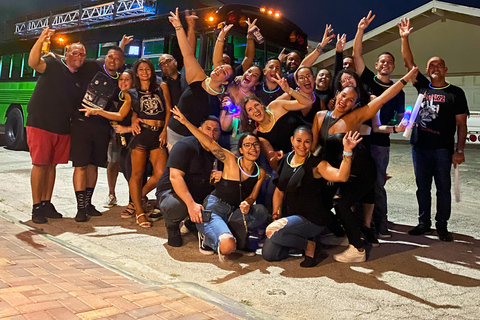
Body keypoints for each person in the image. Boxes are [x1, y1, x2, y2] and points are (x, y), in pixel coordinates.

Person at [311, 66, 419, 262]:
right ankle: (343, 233)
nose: (345, 101)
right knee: (321, 198)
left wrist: (405, 79)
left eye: (351, 100)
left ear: (354, 105)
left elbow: (383, 98)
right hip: (341, 169)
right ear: (337, 94)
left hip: (362, 171)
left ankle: (357, 249)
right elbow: (313, 147)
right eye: (344, 96)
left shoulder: (355, 117)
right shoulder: (319, 117)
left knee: (342, 204)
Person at [398, 18, 468, 242]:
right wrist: (404, 37)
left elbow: (462, 124)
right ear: (426, 70)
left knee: (443, 189)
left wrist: (459, 150)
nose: (435, 68)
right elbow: (409, 63)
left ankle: (442, 226)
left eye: (439, 65)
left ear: (445, 69)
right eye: (431, 65)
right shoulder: (423, 86)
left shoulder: (455, 93)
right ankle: (423, 223)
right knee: (422, 188)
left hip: (442, 150)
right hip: (420, 147)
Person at [171, 106, 269, 261]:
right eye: (247, 145)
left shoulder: (260, 172)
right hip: (216, 208)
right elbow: (209, 142)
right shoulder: (231, 161)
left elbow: (252, 196)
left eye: (255, 144)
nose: (253, 148)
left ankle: (228, 233)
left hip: (235, 212)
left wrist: (248, 203)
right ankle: (206, 237)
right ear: (241, 150)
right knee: (228, 247)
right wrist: (186, 123)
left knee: (261, 211)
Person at [82, 58, 171, 228]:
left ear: (152, 71)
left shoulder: (161, 87)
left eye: (147, 69)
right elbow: (120, 115)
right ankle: (139, 212)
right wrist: (98, 111)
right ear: (136, 73)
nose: (144, 72)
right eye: (141, 69)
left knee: (160, 174)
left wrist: (165, 129)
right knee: (136, 174)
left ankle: (138, 197)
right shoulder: (132, 93)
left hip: (158, 134)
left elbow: (168, 110)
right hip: (141, 135)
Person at [262, 127, 362, 267]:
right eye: (299, 140)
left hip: (312, 218)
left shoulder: (317, 164)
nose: (302, 145)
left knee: (274, 231)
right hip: (291, 217)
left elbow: (342, 176)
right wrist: (275, 213)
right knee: (269, 254)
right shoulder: (286, 159)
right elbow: (279, 190)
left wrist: (348, 151)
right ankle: (297, 237)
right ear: (292, 140)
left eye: (307, 141)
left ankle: (311, 246)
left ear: (312, 143)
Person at [353, 10, 406, 238]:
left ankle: (380, 222)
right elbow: (356, 55)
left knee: (378, 184)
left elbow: (396, 120)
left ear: (393, 67)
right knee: (359, 182)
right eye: (382, 61)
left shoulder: (397, 91)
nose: (385, 64)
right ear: (376, 65)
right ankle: (362, 223)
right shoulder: (367, 81)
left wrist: (395, 126)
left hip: (381, 143)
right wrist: (360, 31)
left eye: (389, 62)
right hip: (360, 140)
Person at [26, 28, 86, 224]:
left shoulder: (78, 77)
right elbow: (33, 62)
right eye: (75, 52)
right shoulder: (52, 63)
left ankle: (46, 203)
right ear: (66, 54)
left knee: (52, 166)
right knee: (40, 164)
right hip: (41, 122)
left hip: (61, 126)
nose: (79, 56)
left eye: (82, 54)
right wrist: (41, 39)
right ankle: (36, 207)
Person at [70, 45, 125, 222]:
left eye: (116, 59)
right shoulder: (92, 67)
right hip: (81, 124)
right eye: (110, 57)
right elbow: (72, 61)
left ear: (121, 63)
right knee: (81, 165)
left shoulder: (120, 83)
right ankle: (80, 208)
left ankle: (88, 203)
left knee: (94, 165)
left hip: (101, 127)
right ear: (104, 58)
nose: (112, 61)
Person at [166, 8, 234, 148]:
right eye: (220, 67)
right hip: (175, 134)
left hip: (198, 140)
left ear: (225, 81)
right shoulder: (199, 78)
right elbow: (187, 54)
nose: (219, 70)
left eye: (224, 72)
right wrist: (179, 27)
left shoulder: (221, 97)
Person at [156, 116, 223, 247]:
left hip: (199, 190)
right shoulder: (184, 146)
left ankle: (192, 223)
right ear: (198, 130)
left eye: (215, 130)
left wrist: (223, 175)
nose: (211, 134)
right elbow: (175, 177)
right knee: (175, 206)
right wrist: (191, 204)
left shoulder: (219, 151)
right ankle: (172, 224)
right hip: (172, 191)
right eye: (208, 129)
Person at [239, 77, 312, 162]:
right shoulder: (260, 136)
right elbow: (274, 156)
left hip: (313, 138)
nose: (256, 110)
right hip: (299, 157)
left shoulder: (275, 106)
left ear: (262, 105)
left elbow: (307, 103)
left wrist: (289, 90)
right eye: (250, 110)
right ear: (248, 116)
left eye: (256, 105)